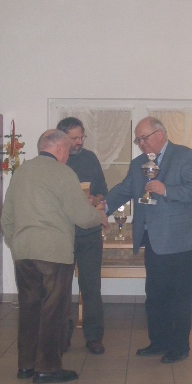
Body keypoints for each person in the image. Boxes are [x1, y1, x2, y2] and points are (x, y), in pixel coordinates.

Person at [1, 129, 107, 384]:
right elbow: (81, 216)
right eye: (67, 150)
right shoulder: (63, 173)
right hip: (53, 254)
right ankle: (47, 368)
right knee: (53, 312)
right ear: (59, 149)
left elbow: (6, 217)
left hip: (24, 253)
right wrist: (100, 217)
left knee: (29, 310)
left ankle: (26, 365)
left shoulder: (22, 172)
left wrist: (17, 244)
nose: (68, 155)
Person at [105, 117, 192, 363]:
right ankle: (158, 342)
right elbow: (124, 190)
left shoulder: (184, 156)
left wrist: (166, 190)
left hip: (181, 241)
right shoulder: (138, 163)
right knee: (155, 294)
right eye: (138, 140)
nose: (141, 144)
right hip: (152, 239)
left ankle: (180, 346)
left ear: (160, 134)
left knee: (179, 296)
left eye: (144, 138)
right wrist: (102, 208)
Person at [56, 116, 108, 354]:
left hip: (90, 233)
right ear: (62, 138)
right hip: (64, 233)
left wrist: (95, 199)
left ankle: (94, 337)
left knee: (91, 287)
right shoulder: (56, 162)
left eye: (81, 137)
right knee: (61, 289)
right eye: (74, 138)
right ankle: (62, 336)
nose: (79, 142)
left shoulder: (90, 158)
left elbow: (103, 191)